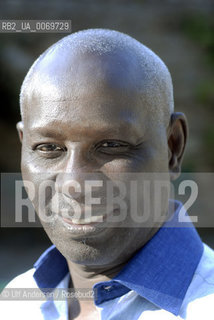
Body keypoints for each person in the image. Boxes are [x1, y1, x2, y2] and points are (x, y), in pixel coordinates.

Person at [1, 28, 214, 319]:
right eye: (49, 147)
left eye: (111, 146)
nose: (75, 183)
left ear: (172, 147)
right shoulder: (18, 303)